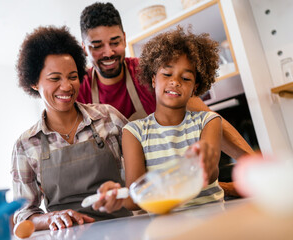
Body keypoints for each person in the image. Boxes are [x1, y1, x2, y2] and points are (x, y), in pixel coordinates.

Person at [77, 2, 254, 196]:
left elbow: (209, 119)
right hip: (120, 195)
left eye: (115, 42)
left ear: (125, 39)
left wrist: (255, 166)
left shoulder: (148, 73)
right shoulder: (80, 90)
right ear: (84, 47)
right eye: (97, 46)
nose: (108, 52)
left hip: (169, 189)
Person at [11, 25, 132, 231]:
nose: (67, 86)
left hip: (123, 228)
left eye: (73, 76)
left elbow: (144, 176)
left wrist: (125, 193)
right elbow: (24, 213)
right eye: (55, 78)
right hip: (67, 235)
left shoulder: (109, 118)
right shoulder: (26, 145)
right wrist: (49, 219)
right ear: (34, 82)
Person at [93, 27, 224, 213]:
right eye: (167, 74)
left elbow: (210, 175)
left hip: (212, 219)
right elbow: (134, 197)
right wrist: (118, 196)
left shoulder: (209, 121)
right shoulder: (134, 132)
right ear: (153, 79)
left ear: (195, 88)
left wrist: (204, 160)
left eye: (186, 78)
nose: (175, 82)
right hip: (165, 226)